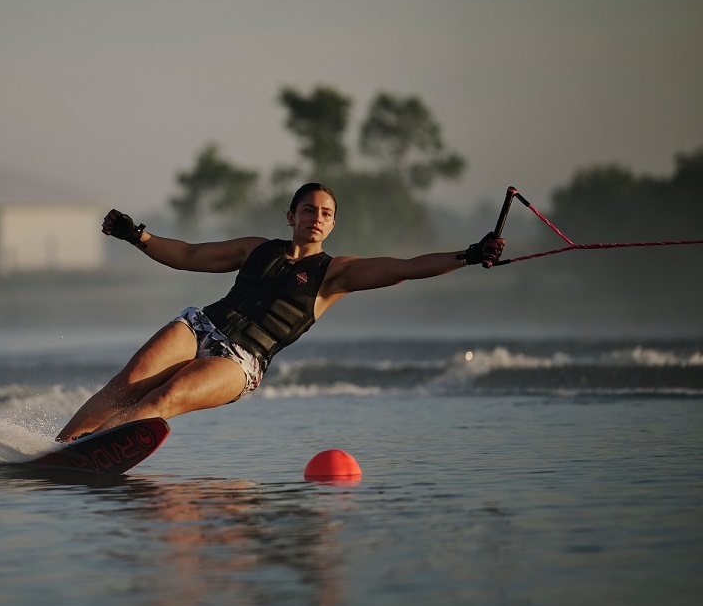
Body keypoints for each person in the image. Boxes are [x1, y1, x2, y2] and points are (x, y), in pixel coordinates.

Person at [56, 182, 505, 442]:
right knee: (123, 387)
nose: (317, 217)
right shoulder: (257, 248)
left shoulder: (336, 273)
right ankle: (61, 450)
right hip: (201, 325)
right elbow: (191, 254)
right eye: (308, 209)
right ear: (290, 215)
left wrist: (467, 254)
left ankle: (93, 449)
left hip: (241, 361)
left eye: (326, 213)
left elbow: (405, 268)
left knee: (163, 399)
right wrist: (138, 235)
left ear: (332, 223)